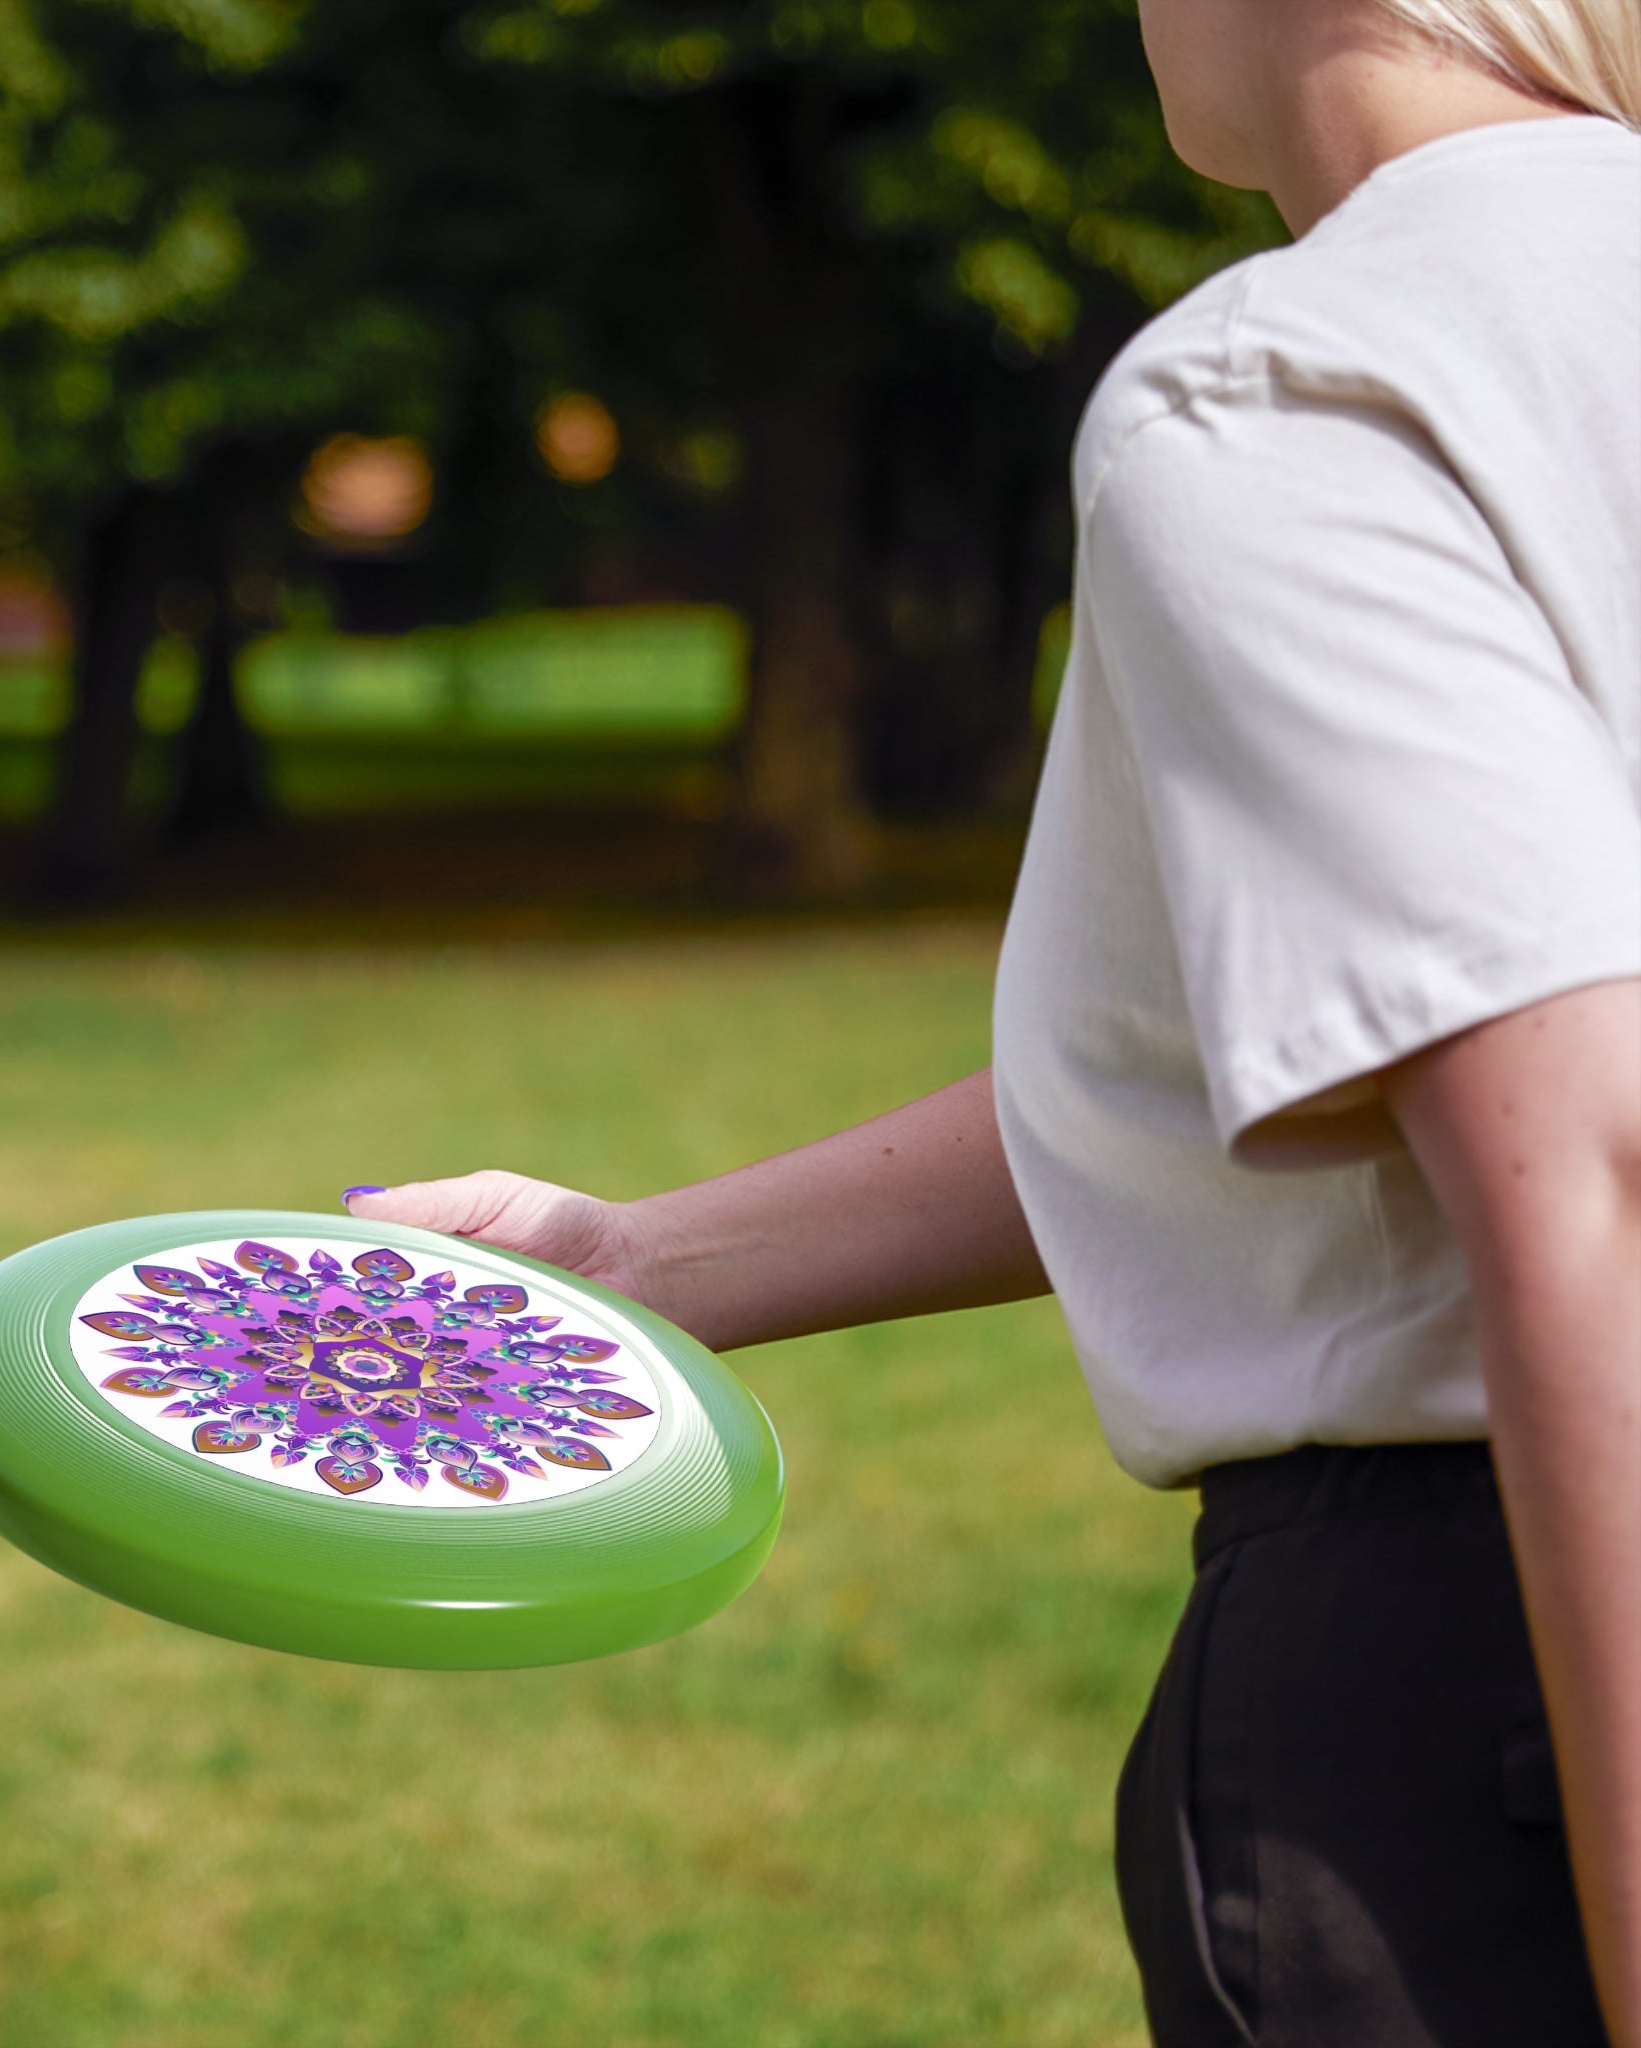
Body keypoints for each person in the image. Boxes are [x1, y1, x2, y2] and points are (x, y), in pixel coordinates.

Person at [342, 2, 1641, 2041]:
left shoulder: (1298, 382)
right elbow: (1330, 1046)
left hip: (1496, 1685)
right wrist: (638, 1260)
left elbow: (1589, 1164)